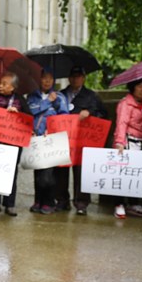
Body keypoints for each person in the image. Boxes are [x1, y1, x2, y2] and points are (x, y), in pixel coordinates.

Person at [55, 65, 107, 215]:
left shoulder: (92, 96)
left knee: (81, 171)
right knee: (61, 171)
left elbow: (103, 114)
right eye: (73, 76)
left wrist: (90, 112)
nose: (75, 79)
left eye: (78, 76)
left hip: (82, 142)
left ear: (83, 78)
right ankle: (62, 200)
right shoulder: (61, 95)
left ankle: (81, 203)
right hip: (64, 139)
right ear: (69, 78)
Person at [27, 69, 67, 214]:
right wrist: (47, 101)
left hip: (52, 140)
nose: (47, 81)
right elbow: (30, 111)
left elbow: (64, 117)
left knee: (49, 174)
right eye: (44, 78)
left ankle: (49, 201)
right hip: (36, 139)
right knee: (38, 171)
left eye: (50, 78)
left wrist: (54, 102)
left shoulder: (60, 97)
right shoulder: (32, 96)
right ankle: (38, 200)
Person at [0, 72, 25, 216]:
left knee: (11, 173)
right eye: (0, 83)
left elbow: (29, 118)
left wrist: (18, 113)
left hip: (13, 143)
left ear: (13, 87)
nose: (0, 86)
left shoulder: (20, 100)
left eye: (4, 84)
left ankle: (10, 204)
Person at [112, 78, 142, 219]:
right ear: (133, 87)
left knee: (137, 174)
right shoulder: (125, 104)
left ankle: (134, 202)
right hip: (127, 142)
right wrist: (119, 142)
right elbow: (121, 123)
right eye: (140, 86)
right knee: (122, 173)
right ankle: (119, 204)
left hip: (141, 143)